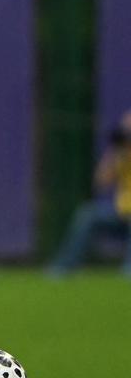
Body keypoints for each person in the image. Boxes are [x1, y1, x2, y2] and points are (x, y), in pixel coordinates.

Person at [49, 110, 131, 276]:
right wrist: (114, 152)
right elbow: (101, 181)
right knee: (87, 215)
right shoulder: (121, 155)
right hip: (121, 213)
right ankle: (64, 267)